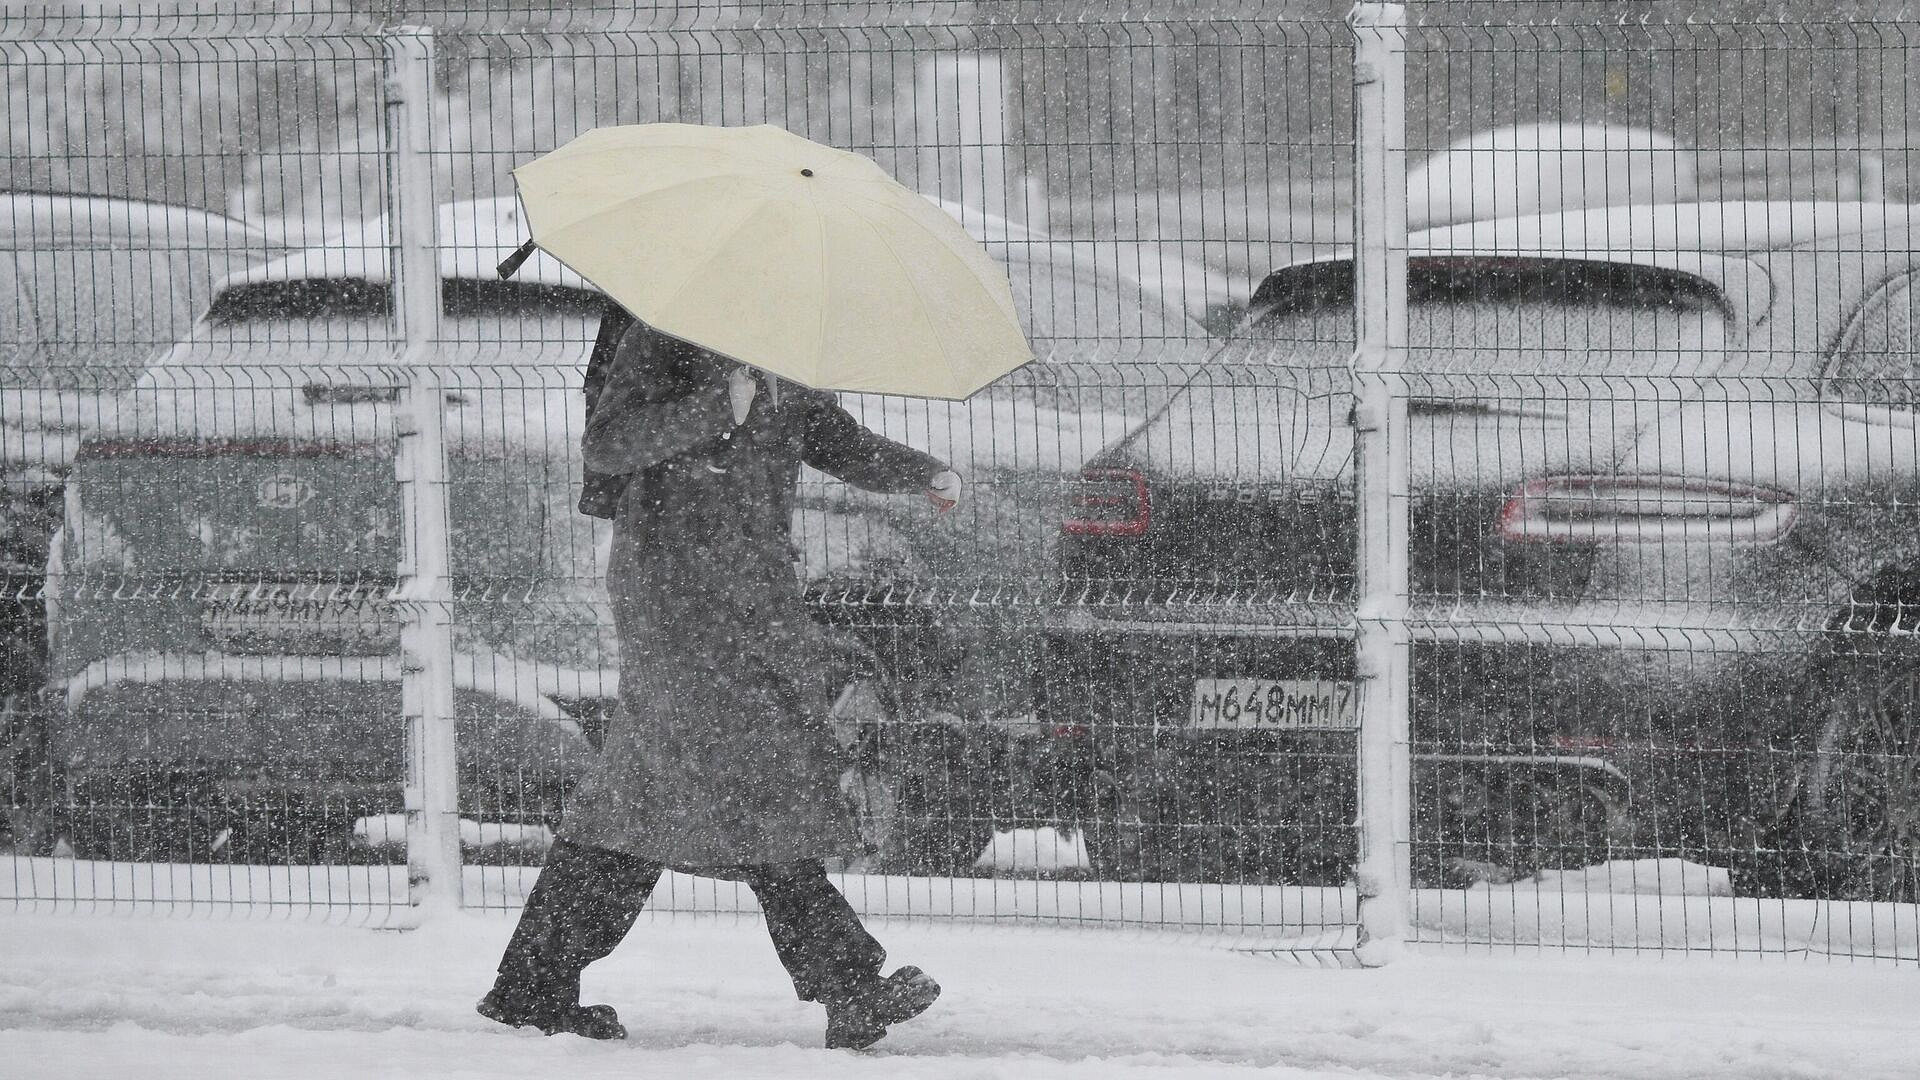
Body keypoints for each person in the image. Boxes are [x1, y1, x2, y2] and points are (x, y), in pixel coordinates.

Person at [477, 320, 962, 1050]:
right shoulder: (662, 332)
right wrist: (712, 409)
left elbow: (834, 438)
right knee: (750, 777)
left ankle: (534, 985)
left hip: (753, 600)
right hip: (673, 596)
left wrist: (921, 470)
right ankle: (849, 985)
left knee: (648, 798)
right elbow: (607, 444)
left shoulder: (776, 342)